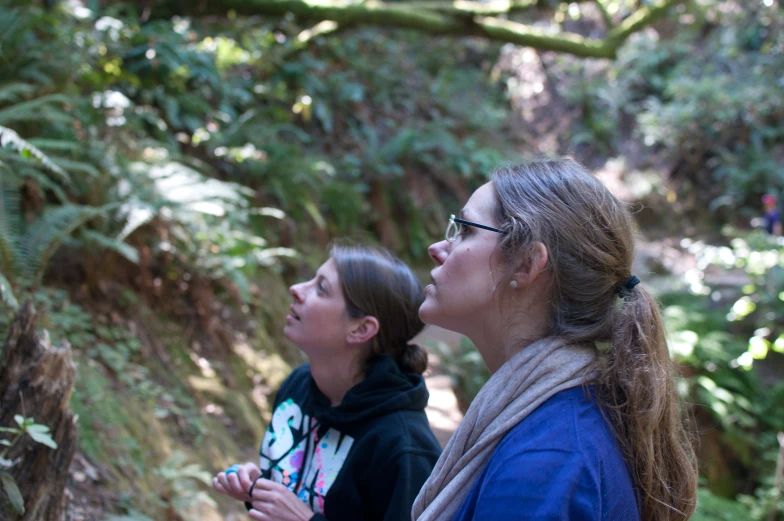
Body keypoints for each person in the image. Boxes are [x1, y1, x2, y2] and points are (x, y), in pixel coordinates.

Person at [412, 158, 698, 521]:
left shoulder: (545, 466)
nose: (437, 247)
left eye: (465, 230)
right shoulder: (564, 422)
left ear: (527, 264)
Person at [213, 243, 441, 521]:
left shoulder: (403, 448)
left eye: (321, 288)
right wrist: (259, 488)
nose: (296, 288)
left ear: (361, 329)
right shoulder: (298, 386)